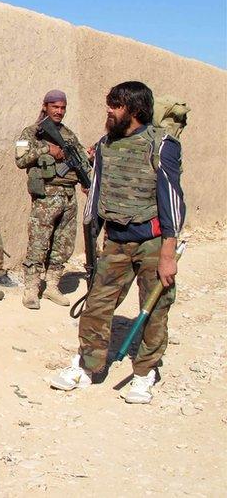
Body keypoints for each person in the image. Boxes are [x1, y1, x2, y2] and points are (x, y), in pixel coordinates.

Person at [51, 81, 184, 405]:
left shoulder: (161, 144)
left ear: (135, 110)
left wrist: (169, 252)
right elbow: (96, 192)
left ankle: (144, 374)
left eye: (116, 106)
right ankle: (87, 365)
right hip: (116, 241)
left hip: (152, 242)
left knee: (154, 309)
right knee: (97, 305)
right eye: (109, 104)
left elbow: (172, 199)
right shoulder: (106, 144)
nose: (109, 111)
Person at [14, 90, 90, 310]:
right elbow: (20, 159)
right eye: (55, 107)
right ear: (45, 106)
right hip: (46, 195)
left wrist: (88, 168)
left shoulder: (68, 134)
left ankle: (52, 286)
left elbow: (81, 160)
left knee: (63, 243)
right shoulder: (31, 132)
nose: (59, 111)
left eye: (63, 107)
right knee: (39, 242)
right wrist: (47, 148)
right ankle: (31, 288)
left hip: (68, 194)